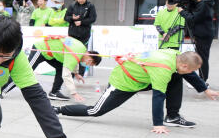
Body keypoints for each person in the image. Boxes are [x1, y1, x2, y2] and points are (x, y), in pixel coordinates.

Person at [55, 50, 218, 132]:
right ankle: (58, 109)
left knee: (176, 77)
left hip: (142, 79)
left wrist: (205, 89)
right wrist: (157, 124)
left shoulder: (176, 55)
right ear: (183, 65)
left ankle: (173, 117)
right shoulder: (163, 68)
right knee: (95, 111)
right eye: (190, 69)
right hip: (123, 83)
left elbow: (187, 73)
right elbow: (158, 97)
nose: (190, 72)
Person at [1, 36, 101, 101]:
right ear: (89, 55)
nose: (88, 64)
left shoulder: (81, 50)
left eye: (90, 65)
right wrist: (74, 93)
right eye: (90, 63)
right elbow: (66, 74)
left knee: (60, 68)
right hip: (40, 49)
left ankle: (54, 92)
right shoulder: (76, 52)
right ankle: (1, 90)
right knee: (23, 73)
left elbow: (74, 63)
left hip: (50, 54)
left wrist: (76, 73)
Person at [179, 0, 214, 82]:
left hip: (203, 35)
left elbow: (193, 18)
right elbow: (191, 8)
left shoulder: (204, 4)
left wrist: (182, 12)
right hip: (202, 34)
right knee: (201, 56)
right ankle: (202, 79)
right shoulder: (201, 2)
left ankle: (202, 80)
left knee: (202, 58)